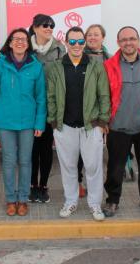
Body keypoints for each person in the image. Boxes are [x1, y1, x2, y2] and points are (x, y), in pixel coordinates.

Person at [46, 26, 111, 221]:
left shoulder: (95, 65)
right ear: (65, 42)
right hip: (64, 127)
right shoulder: (56, 66)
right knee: (68, 167)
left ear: (84, 43)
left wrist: (102, 122)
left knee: (93, 167)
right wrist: (54, 122)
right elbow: (50, 96)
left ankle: (94, 204)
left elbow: (104, 95)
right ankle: (71, 201)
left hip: (91, 126)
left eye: (80, 41)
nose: (76, 45)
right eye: (72, 41)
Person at [0, 28, 46, 217]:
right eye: (15, 39)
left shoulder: (36, 66)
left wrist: (39, 124)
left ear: (28, 43)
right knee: (9, 161)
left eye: (23, 39)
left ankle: (23, 199)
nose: (20, 42)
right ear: (9, 43)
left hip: (28, 123)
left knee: (25, 161)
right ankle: (11, 199)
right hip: (5, 123)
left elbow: (41, 98)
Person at [103, 26, 140, 217]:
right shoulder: (109, 65)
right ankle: (112, 200)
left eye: (132, 38)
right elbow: (103, 95)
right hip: (118, 126)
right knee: (115, 167)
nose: (128, 42)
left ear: (138, 40)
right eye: (124, 40)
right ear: (118, 43)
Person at [28, 13, 65, 204]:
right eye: (45, 25)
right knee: (31, 149)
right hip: (29, 108)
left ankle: (43, 186)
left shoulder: (60, 49)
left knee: (46, 149)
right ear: (34, 27)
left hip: (51, 107)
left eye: (52, 25)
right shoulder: (24, 47)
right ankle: (32, 185)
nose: (49, 28)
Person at [78, 24, 112, 196]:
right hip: (81, 112)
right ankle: (78, 182)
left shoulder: (110, 59)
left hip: (103, 112)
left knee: (97, 154)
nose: (92, 37)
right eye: (89, 35)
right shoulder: (77, 56)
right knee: (79, 152)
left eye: (96, 34)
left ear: (103, 37)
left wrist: (104, 118)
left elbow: (112, 89)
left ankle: (99, 187)